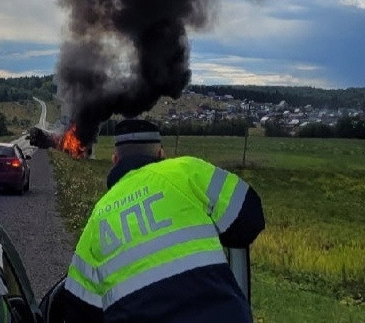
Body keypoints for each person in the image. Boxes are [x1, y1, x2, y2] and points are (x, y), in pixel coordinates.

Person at [61, 118, 265, 323]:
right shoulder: (187, 170)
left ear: (115, 160)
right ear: (161, 155)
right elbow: (250, 219)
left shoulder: (98, 217)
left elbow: (77, 308)